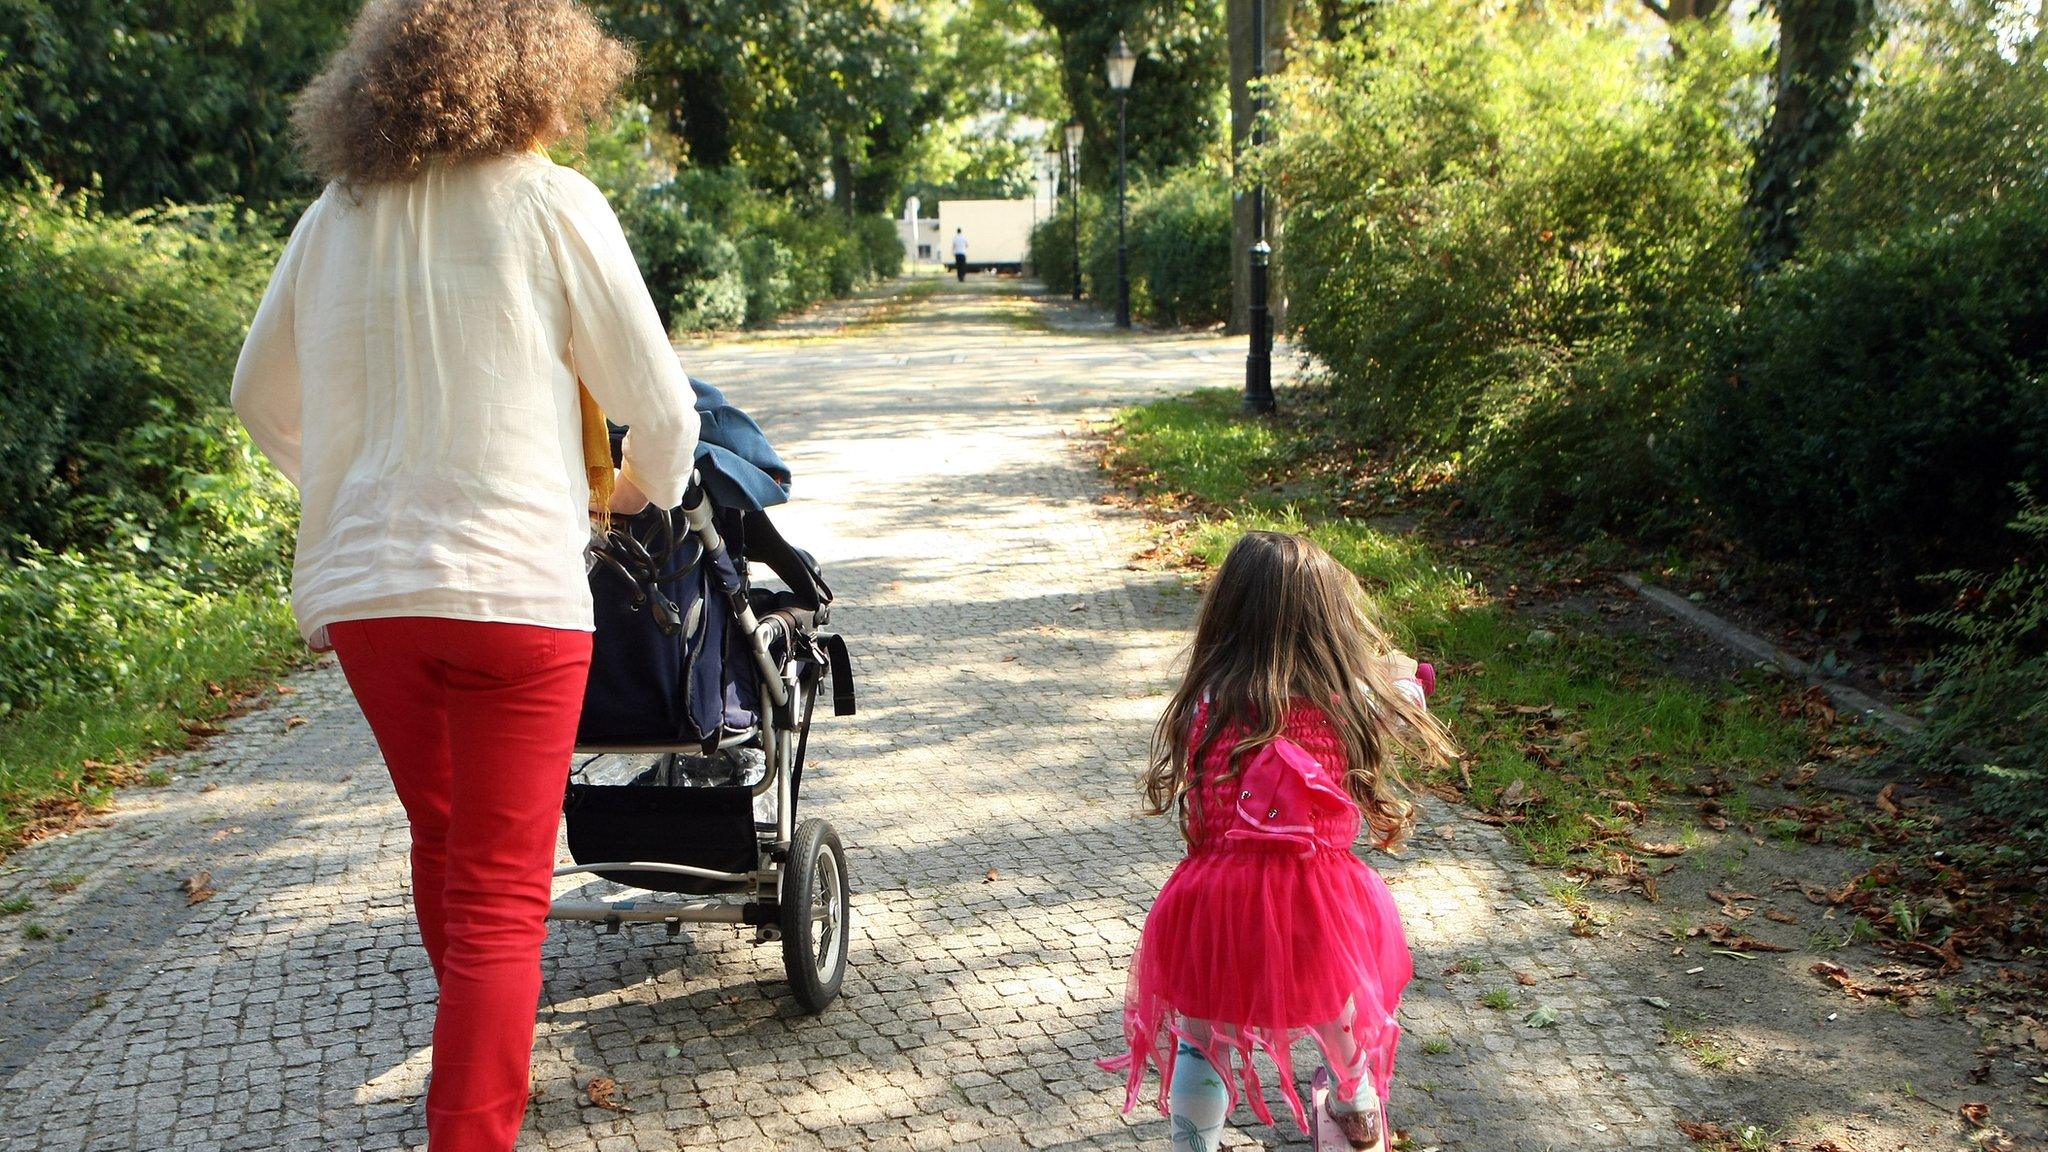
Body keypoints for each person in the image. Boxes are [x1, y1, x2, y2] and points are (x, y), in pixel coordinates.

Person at [229, 2, 699, 1149]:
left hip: (366, 594)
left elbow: (256, 395)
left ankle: (482, 1067)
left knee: (444, 837)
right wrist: (638, 492)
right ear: (542, 72)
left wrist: (341, 486)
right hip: (510, 590)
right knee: (498, 891)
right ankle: (472, 1121)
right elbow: (666, 412)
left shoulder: (335, 212)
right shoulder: (547, 200)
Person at [1101, 531, 1458, 1152]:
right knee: (1345, 1037)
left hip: (1219, 900)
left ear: (1227, 613)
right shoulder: (1354, 702)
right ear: (1328, 622)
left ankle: (1196, 1144)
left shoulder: (1205, 702)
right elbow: (1412, 686)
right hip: (1322, 907)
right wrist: (1392, 666)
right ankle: (1354, 1122)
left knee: (1200, 1037)